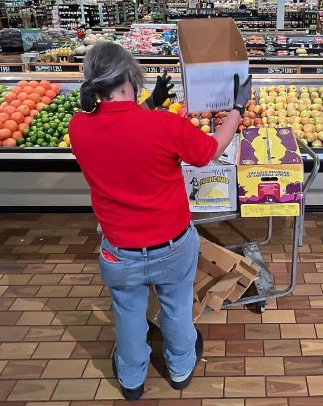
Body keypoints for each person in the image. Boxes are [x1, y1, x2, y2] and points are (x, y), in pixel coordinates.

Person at [68, 42, 252, 401]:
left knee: (128, 315)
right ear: (128, 77)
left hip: (119, 252)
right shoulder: (164, 125)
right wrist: (237, 107)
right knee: (177, 308)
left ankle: (132, 379)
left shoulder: (79, 128)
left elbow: (121, 136)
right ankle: (180, 370)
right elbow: (211, 149)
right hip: (172, 245)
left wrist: (149, 103)